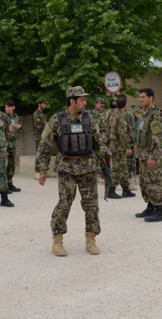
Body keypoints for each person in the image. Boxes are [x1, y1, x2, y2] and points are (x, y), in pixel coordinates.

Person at [37, 86, 107, 256]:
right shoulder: (57, 120)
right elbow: (44, 145)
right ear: (72, 101)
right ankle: (57, 241)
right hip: (67, 169)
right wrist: (42, 169)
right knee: (64, 205)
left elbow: (99, 143)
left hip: (87, 169)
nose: (85, 102)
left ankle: (91, 239)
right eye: (82, 99)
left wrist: (105, 167)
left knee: (92, 206)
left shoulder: (89, 119)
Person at [134, 88, 162, 222]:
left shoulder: (155, 114)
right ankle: (151, 206)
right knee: (144, 182)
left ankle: (159, 210)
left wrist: (152, 157)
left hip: (151, 154)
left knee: (153, 182)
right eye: (140, 97)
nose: (140, 99)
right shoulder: (145, 114)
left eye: (143, 97)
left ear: (151, 98)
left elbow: (157, 137)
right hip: (143, 154)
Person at [106, 94, 134, 199]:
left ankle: (125, 189)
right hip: (120, 146)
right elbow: (122, 133)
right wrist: (128, 147)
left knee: (124, 167)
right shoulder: (121, 115)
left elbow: (107, 128)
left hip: (114, 144)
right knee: (118, 168)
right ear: (125, 104)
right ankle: (111, 190)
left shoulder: (113, 113)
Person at [4, 99, 23, 193]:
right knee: (4, 165)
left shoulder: (16, 117)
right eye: (5, 107)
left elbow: (19, 131)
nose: (6, 108)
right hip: (4, 144)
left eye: (8, 107)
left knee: (11, 165)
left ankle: (10, 183)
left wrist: (19, 127)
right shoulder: (3, 117)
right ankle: (3, 186)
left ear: (13, 107)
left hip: (12, 144)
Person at [32, 97, 52, 179]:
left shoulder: (42, 114)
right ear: (39, 104)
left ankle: (45, 171)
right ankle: (37, 172)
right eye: (44, 104)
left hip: (45, 137)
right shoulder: (36, 114)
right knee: (39, 154)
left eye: (45, 104)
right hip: (39, 137)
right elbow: (38, 127)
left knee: (47, 154)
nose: (45, 105)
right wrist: (47, 126)